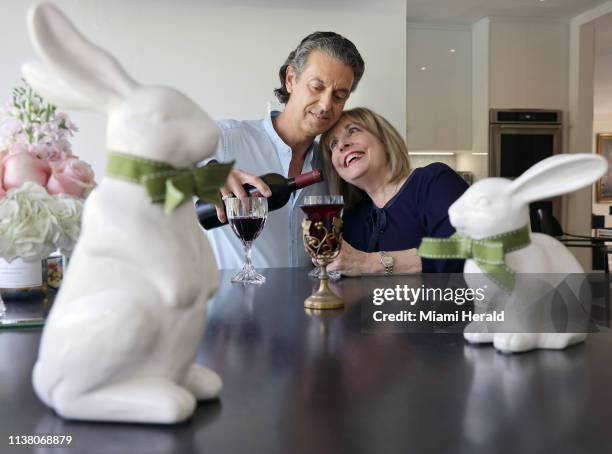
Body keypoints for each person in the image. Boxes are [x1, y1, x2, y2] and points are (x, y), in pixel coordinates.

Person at [206, 32, 365, 269]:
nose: (325, 105)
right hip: (235, 304)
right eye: (316, 87)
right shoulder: (227, 138)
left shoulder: (336, 164)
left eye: (339, 96)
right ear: (291, 79)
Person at [319, 107, 468, 275]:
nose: (341, 145)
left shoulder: (433, 182)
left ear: (384, 140)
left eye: (353, 131)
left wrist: (369, 263)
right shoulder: (352, 218)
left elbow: (465, 252)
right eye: (333, 144)